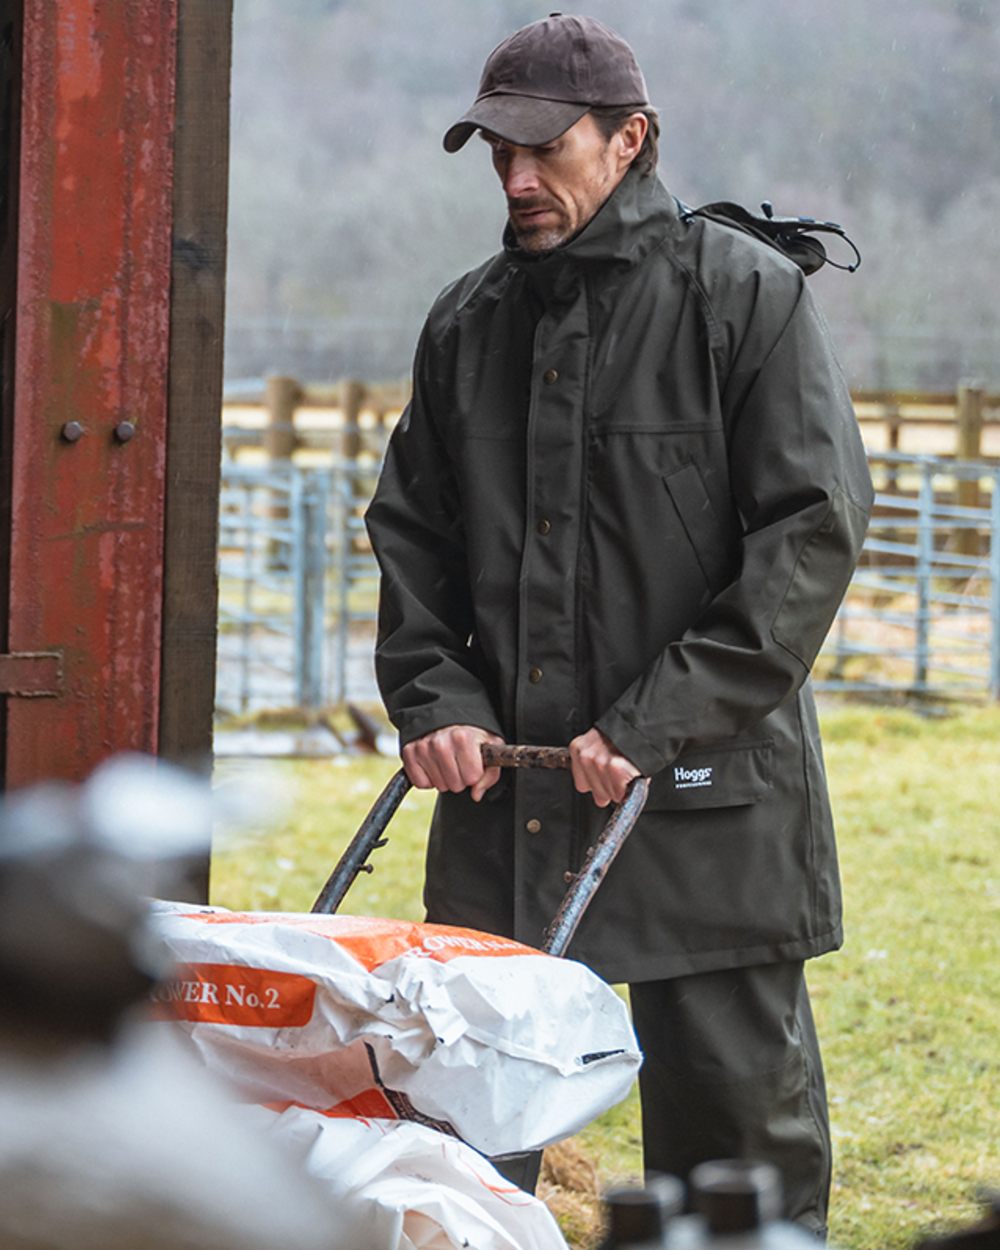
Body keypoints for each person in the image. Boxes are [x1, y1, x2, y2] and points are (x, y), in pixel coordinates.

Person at [365, 13, 873, 1235]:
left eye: (543, 149)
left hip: (706, 794)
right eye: (499, 153)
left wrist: (653, 721)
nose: (515, 179)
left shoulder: (742, 296)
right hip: (504, 802)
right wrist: (436, 702)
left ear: (630, 139)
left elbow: (809, 534)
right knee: (463, 1143)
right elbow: (412, 534)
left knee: (731, 1141)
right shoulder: (466, 322)